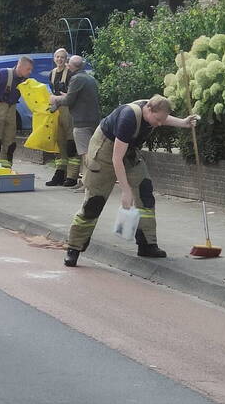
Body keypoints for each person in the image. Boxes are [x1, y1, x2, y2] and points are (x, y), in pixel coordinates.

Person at [63, 94, 198, 267]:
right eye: (157, 120)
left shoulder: (153, 111)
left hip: (129, 152)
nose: (158, 124)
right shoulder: (128, 118)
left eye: (161, 120)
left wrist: (183, 122)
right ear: (148, 109)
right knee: (93, 202)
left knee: (145, 191)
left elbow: (163, 117)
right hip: (105, 152)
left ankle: (147, 244)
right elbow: (116, 159)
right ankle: (74, 248)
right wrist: (125, 192)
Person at [50, 55, 100, 185]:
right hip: (93, 120)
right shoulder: (90, 78)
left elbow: (68, 100)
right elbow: (81, 98)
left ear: (71, 66)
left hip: (81, 122)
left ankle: (87, 184)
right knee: (88, 153)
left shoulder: (76, 78)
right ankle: (84, 182)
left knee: (84, 154)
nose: (66, 64)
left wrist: (56, 99)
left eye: (67, 62)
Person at [0, 56, 34, 170]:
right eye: (28, 69)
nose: (30, 72)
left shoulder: (24, 80)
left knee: (10, 142)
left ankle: (5, 169)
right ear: (20, 66)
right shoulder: (3, 73)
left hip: (11, 110)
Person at [45, 48, 82, 187]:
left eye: (62, 57)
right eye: (57, 57)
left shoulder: (71, 73)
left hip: (70, 111)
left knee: (71, 143)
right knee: (59, 144)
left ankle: (72, 177)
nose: (60, 59)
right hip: (57, 111)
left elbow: (74, 95)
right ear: (54, 58)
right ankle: (60, 174)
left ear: (66, 59)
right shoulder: (52, 73)